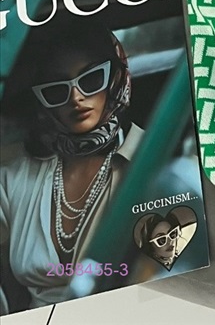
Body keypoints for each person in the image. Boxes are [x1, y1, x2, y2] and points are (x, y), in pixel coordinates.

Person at [0, 22, 144, 312]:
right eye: (56, 90)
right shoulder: (13, 175)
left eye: (91, 79)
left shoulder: (153, 159)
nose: (76, 98)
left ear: (116, 78)